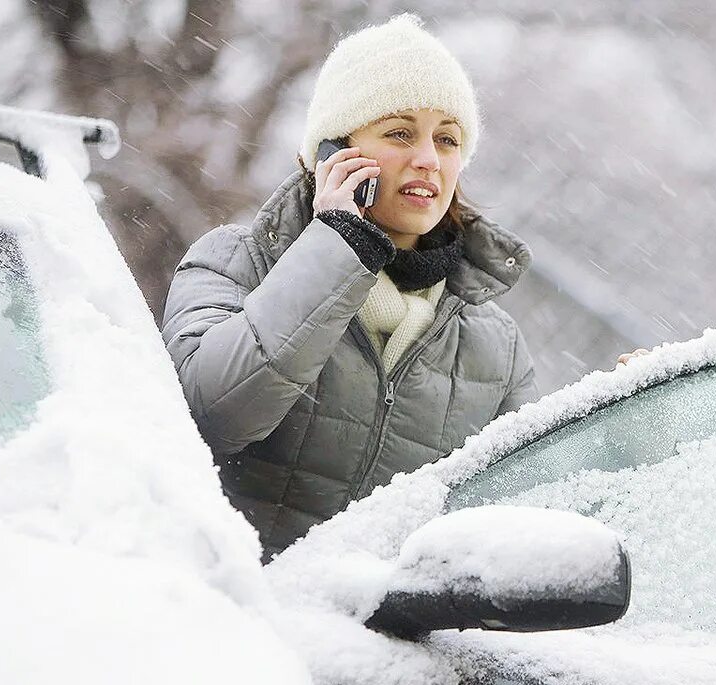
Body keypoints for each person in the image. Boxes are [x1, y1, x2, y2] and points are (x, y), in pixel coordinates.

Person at [161, 14, 536, 562]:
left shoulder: (496, 345)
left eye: (448, 139)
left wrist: (632, 425)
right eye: (400, 133)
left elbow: (526, 514)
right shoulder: (234, 261)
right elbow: (211, 415)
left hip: (385, 644)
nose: (429, 159)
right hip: (235, 624)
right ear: (332, 152)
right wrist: (338, 248)